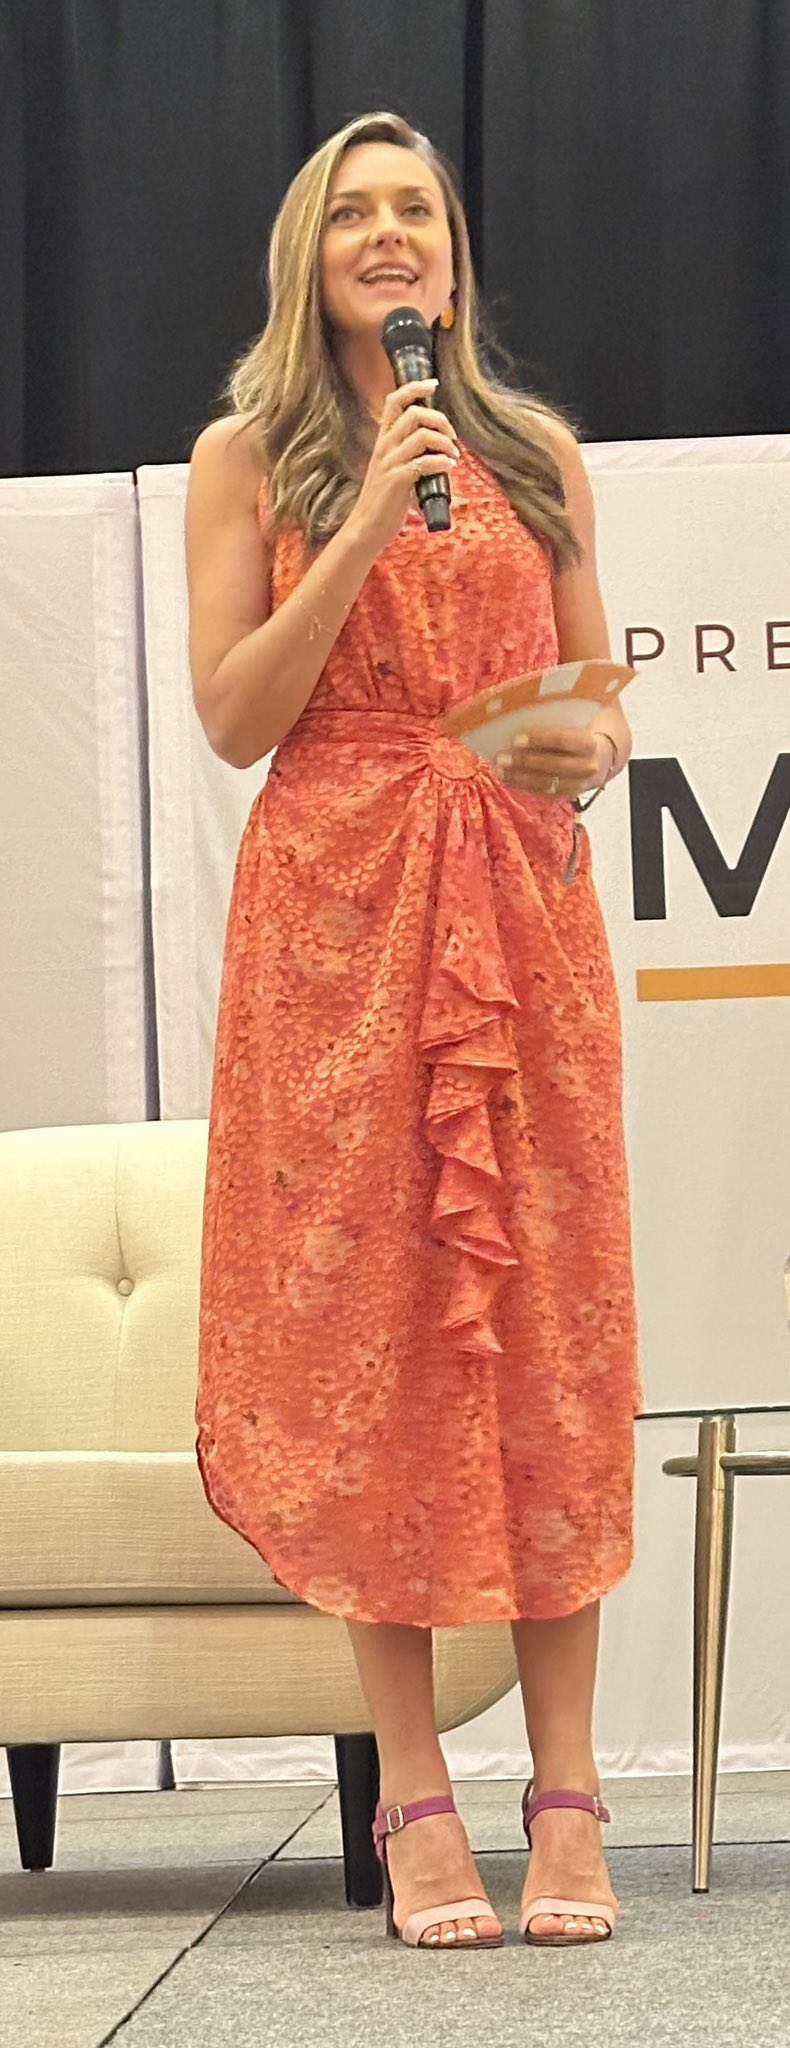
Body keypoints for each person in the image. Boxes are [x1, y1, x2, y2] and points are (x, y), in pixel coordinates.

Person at [187, 109, 642, 1953]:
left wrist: (573, 738)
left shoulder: (532, 453)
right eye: (354, 214)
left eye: (417, 214)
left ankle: (569, 1791)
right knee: (372, 1338)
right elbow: (237, 717)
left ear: (452, 260)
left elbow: (603, 713)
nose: (390, 237)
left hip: (520, 924)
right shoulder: (249, 458)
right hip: (337, 932)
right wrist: (368, 508)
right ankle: (413, 1795)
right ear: (309, 259)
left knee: (545, 1336)